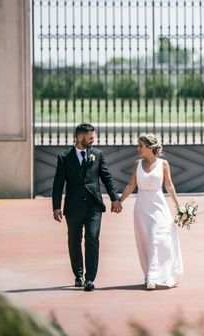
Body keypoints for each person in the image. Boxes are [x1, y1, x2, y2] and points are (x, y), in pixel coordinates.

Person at [51, 122, 122, 292]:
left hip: (93, 207)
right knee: (74, 242)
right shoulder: (64, 157)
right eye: (90, 138)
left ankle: (90, 279)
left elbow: (107, 177)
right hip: (73, 207)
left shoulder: (97, 154)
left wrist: (115, 199)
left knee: (92, 238)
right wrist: (56, 207)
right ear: (80, 137)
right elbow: (58, 184)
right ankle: (79, 275)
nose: (93, 140)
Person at [119, 133, 183, 289]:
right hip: (142, 207)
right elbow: (131, 185)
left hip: (159, 206)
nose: (138, 148)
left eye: (141, 145)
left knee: (157, 238)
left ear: (149, 147)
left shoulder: (164, 164)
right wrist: (119, 201)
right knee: (146, 242)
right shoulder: (137, 164)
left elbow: (169, 186)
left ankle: (153, 277)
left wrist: (178, 206)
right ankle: (150, 274)